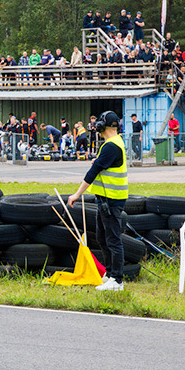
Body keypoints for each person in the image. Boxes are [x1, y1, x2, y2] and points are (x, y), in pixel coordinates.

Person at [67, 111, 127, 292]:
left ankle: (117, 280)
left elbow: (93, 173)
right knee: (102, 237)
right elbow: (104, 165)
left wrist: (77, 194)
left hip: (111, 200)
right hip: (104, 199)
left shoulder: (111, 146)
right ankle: (109, 274)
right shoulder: (112, 143)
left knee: (113, 240)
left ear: (103, 126)